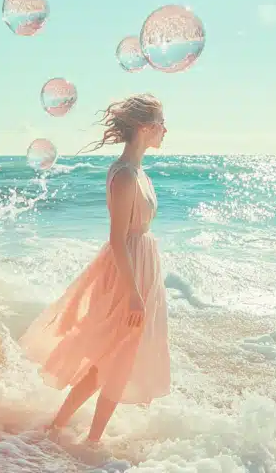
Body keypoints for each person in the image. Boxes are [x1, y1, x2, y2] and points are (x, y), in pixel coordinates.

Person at [18, 93, 171, 444]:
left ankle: (59, 429)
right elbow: (117, 238)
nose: (166, 130)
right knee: (118, 357)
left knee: (113, 357)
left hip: (141, 268)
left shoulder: (138, 171)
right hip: (127, 273)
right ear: (146, 128)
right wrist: (133, 294)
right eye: (162, 123)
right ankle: (88, 442)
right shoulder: (126, 175)